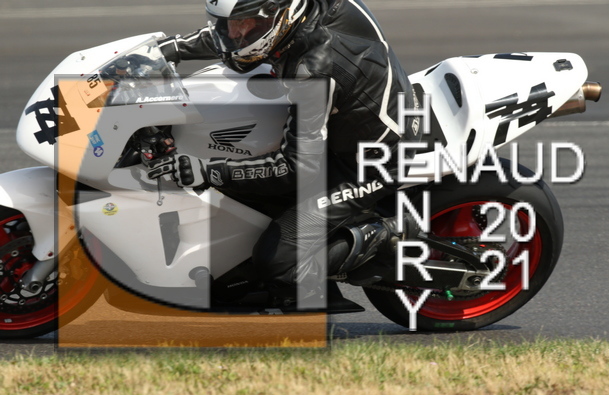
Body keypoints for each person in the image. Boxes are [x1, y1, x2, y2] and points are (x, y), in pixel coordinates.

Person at [148, 0, 422, 309]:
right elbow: (237, 38)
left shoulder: (313, 71)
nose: (234, 33)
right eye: (231, 23)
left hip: (370, 163)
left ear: (281, 14)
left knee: (278, 263)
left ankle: (391, 233)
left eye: (246, 24)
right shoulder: (310, 11)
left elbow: (296, 168)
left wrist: (208, 171)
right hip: (365, 118)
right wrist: (167, 49)